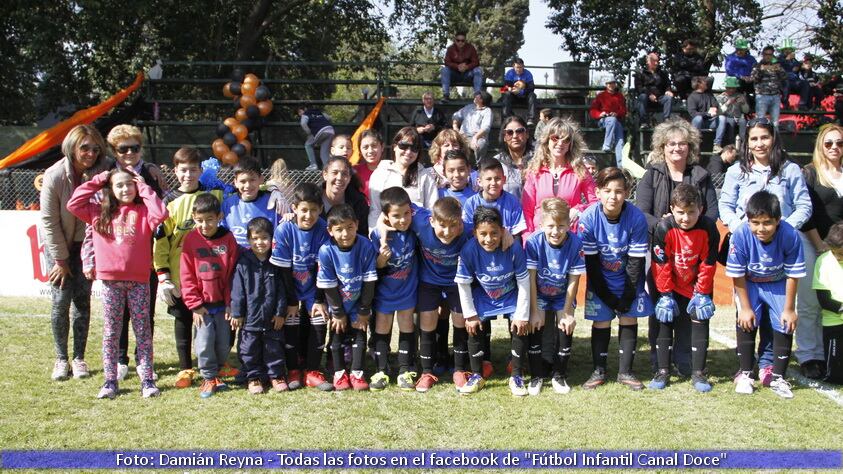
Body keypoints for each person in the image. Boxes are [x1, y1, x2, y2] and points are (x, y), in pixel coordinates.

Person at [719, 118, 812, 387]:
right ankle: (745, 368)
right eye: (754, 139)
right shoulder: (737, 171)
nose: (760, 144)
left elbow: (804, 206)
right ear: (747, 143)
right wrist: (740, 229)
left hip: (780, 248)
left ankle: (769, 363)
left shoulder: (791, 170)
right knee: (748, 310)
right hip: (748, 247)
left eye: (764, 137)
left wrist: (783, 230)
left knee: (777, 311)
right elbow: (725, 205)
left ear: (774, 139)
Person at [66, 168, 168, 398]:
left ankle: (148, 380)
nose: (125, 189)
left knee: (143, 331)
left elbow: (161, 212)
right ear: (110, 190)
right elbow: (74, 203)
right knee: (111, 332)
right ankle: (110, 380)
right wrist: (100, 179)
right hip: (111, 282)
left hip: (139, 281)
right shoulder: (98, 212)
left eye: (128, 184)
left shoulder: (143, 211)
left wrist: (143, 186)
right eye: (119, 185)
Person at [636, 119, 718, 375]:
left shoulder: (701, 175)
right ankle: (658, 360)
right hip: (661, 250)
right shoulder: (652, 174)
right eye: (671, 143)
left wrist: (691, 229)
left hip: (695, 251)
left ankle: (684, 360)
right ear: (662, 146)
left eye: (682, 143)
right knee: (661, 302)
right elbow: (642, 212)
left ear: (690, 146)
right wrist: (666, 226)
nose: (677, 148)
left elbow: (712, 213)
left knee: (687, 306)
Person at [97, 124, 168, 382]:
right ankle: (119, 360)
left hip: (144, 254)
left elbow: (161, 209)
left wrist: (148, 180)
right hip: (115, 256)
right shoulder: (106, 176)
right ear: (114, 151)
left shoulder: (151, 174)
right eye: (122, 148)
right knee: (118, 315)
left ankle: (143, 360)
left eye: (134, 147)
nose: (129, 153)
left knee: (143, 312)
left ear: (141, 149)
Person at [41, 124, 111, 381]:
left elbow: (132, 167)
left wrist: (152, 170)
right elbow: (49, 221)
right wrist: (60, 260)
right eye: (84, 148)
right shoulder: (55, 175)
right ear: (72, 147)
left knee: (83, 302)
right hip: (60, 246)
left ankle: (79, 358)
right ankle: (61, 359)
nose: (90, 153)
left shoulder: (104, 169)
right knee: (60, 302)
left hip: (88, 247)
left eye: (95, 148)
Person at [153, 147, 224, 389]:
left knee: (214, 318)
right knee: (183, 319)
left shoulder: (215, 194)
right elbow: (160, 242)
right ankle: (186, 366)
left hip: (212, 274)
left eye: (193, 170)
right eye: (183, 170)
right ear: (175, 171)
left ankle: (217, 364)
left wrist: (274, 189)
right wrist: (163, 275)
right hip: (181, 276)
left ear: (201, 171)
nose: (188, 175)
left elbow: (247, 189)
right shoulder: (169, 202)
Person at [579, 167, 653, 391]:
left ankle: (626, 371)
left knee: (628, 317)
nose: (613, 196)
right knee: (601, 320)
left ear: (627, 192)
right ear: (598, 192)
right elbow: (591, 265)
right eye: (607, 190)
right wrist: (609, 297)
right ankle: (599, 369)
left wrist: (626, 296)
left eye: (619, 191)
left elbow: (636, 263)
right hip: (601, 279)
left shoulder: (636, 218)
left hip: (629, 279)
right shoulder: (589, 218)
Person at [726, 191, 805, 398]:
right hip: (750, 283)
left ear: (778, 220)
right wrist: (745, 308)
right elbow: (737, 274)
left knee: (785, 322)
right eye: (755, 223)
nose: (761, 229)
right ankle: (745, 373)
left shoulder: (789, 235)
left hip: (777, 282)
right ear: (748, 220)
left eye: (767, 223)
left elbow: (793, 275)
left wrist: (789, 309)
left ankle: (778, 376)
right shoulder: (740, 234)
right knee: (747, 320)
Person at [650, 184, 719, 392]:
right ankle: (662, 370)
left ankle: (698, 373)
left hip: (696, 285)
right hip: (670, 284)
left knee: (700, 318)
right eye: (680, 212)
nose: (686, 218)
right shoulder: (664, 228)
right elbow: (661, 265)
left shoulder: (708, 229)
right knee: (664, 318)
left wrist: (702, 293)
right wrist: (665, 294)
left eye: (691, 212)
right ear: (672, 209)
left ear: (701, 209)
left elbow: (708, 264)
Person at [455, 206, 530, 395]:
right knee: (473, 325)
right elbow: (463, 284)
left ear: (503, 231)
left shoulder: (514, 248)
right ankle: (477, 375)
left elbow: (523, 281)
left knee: (520, 325)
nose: (489, 239)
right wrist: (470, 315)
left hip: (510, 294)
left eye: (494, 233)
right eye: (483, 234)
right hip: (485, 296)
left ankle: (517, 375)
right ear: (475, 233)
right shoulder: (468, 250)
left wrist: (521, 315)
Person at [271, 183, 333, 391]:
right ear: (294, 208)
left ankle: (313, 371)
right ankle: (294, 369)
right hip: (290, 288)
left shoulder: (324, 230)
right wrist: (291, 301)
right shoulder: (284, 230)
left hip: (314, 288)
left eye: (314, 210)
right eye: (304, 209)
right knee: (291, 322)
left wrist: (318, 300)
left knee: (319, 319)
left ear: (321, 210)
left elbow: (323, 269)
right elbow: (284, 270)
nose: (308, 215)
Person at [179, 193, 239, 398]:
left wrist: (231, 303)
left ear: (219, 216)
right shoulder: (191, 239)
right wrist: (194, 304)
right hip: (202, 306)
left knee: (223, 343)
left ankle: (219, 369)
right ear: (194, 218)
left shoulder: (228, 239)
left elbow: (233, 274)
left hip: (223, 305)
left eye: (210, 219)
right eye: (200, 220)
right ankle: (208, 377)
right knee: (204, 343)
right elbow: (186, 275)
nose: (205, 225)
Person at [410, 197, 471, 391]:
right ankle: (427, 372)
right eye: (442, 225)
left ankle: (460, 370)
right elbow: (396, 205)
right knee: (428, 319)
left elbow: (491, 226)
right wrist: (382, 224)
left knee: (461, 319)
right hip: (429, 282)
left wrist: (505, 233)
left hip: (456, 283)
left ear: (461, 222)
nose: (447, 231)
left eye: (454, 225)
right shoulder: (420, 220)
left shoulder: (469, 230)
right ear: (432, 221)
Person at [525, 198, 584, 395]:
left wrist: (567, 311)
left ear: (569, 224)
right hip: (540, 294)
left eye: (561, 226)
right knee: (536, 323)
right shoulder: (534, 242)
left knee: (565, 325)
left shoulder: (575, 243)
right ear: (542, 225)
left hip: (561, 296)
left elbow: (573, 280)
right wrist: (534, 312)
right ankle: (536, 376)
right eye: (550, 226)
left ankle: (559, 375)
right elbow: (531, 279)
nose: (555, 231)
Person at [316, 203, 378, 391]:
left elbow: (369, 281)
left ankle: (357, 373)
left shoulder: (365, 246)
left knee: (360, 336)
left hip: (359, 302)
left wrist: (364, 309)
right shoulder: (326, 251)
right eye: (339, 229)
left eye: (349, 227)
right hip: (339, 305)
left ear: (357, 225)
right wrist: (338, 313)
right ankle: (339, 374)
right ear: (330, 230)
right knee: (336, 338)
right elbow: (329, 286)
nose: (345, 234)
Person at [798, 124, 843, 378]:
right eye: (829, 143)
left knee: (836, 303)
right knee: (809, 303)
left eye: (839, 143)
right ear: (820, 146)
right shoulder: (810, 174)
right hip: (813, 243)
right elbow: (807, 214)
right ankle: (809, 355)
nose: (834, 147)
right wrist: (820, 246)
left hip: (840, 252)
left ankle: (832, 353)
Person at [369, 187, 419, 390]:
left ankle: (405, 369)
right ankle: (381, 369)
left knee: (407, 324)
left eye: (406, 214)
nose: (403, 220)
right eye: (396, 216)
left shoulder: (414, 230)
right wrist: (381, 261)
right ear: (386, 216)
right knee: (382, 327)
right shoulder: (377, 236)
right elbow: (372, 267)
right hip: (384, 292)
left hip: (407, 289)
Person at [231, 217, 288, 395]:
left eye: (264, 238)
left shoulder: (276, 262)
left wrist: (280, 313)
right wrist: (237, 313)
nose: (260, 242)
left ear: (271, 239)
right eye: (255, 238)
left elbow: (281, 290)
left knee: (274, 348)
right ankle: (253, 377)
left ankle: (276, 375)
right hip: (250, 318)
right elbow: (237, 290)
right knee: (249, 349)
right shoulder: (243, 262)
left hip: (272, 318)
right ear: (248, 240)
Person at [522, 117, 598, 242]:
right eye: (555, 137)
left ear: (571, 144)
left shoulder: (580, 170)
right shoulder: (534, 171)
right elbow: (527, 211)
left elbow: (595, 202)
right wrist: (527, 239)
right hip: (540, 237)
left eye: (566, 139)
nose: (560, 143)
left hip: (571, 237)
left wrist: (579, 210)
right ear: (547, 140)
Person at [367, 127, 437, 230]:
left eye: (414, 148)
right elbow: (375, 210)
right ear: (395, 146)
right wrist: (375, 235)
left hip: (418, 236)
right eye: (403, 146)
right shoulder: (379, 174)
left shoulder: (426, 176)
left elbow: (432, 209)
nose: (408, 152)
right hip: (388, 236)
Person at [221, 157, 278, 249]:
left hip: (264, 258)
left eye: (252, 180)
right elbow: (221, 232)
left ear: (261, 179)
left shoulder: (272, 202)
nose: (247, 185)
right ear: (235, 182)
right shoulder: (228, 204)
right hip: (237, 258)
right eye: (242, 181)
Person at [462, 158, 527, 237]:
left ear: (504, 179)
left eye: (497, 179)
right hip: (478, 246)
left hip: (506, 245)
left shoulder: (512, 201)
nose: (493, 183)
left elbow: (517, 234)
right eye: (488, 179)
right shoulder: (471, 203)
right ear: (479, 182)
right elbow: (468, 233)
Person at [812, 222, 843, 383]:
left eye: (841, 254)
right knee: (836, 377)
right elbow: (824, 299)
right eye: (834, 253)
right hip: (834, 323)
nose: (838, 257)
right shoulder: (823, 262)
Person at [322, 156, 370, 236]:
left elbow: (363, 233)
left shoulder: (358, 202)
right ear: (325, 175)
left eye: (344, 174)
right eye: (335, 173)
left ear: (349, 178)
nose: (339, 178)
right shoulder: (312, 198)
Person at [492, 115, 534, 199]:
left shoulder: (539, 160)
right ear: (504, 137)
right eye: (509, 132)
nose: (515, 136)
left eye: (519, 131)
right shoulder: (496, 163)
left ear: (527, 134)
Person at [589, 77, 627, 167]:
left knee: (620, 140)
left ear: (615, 84)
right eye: (609, 83)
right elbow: (592, 111)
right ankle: (607, 145)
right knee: (611, 120)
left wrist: (616, 114)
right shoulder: (600, 96)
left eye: (613, 83)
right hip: (603, 120)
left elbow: (624, 110)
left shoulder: (620, 96)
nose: (611, 85)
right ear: (606, 85)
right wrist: (600, 114)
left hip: (616, 120)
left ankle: (621, 166)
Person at [687, 76, 727, 153]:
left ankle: (717, 145)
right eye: (703, 81)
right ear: (699, 84)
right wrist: (707, 114)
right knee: (698, 118)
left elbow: (714, 104)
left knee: (722, 118)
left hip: (710, 121)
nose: (706, 83)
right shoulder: (692, 97)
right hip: (697, 123)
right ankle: (695, 145)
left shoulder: (709, 94)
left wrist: (714, 108)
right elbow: (693, 113)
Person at [440, 31, 483, 101]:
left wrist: (467, 67)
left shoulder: (471, 48)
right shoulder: (450, 49)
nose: (460, 42)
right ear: (455, 40)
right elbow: (447, 62)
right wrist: (457, 66)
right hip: (454, 74)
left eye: (462, 41)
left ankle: (477, 95)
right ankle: (445, 95)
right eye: (458, 40)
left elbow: (476, 62)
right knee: (444, 70)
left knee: (478, 70)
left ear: (465, 41)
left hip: (467, 74)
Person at [452, 91, 493, 161]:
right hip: (462, 136)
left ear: (482, 100)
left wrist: (475, 138)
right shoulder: (468, 107)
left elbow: (486, 127)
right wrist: (455, 127)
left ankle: (478, 165)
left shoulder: (487, 111)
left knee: (480, 145)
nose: (475, 96)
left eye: (478, 96)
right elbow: (456, 115)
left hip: (478, 136)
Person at [751, 46, 787, 126]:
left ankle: (774, 138)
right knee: (760, 121)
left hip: (775, 96)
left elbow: (784, 77)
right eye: (766, 54)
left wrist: (779, 70)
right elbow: (754, 79)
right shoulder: (757, 65)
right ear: (763, 55)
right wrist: (761, 71)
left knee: (775, 123)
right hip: (762, 96)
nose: (768, 56)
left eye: (770, 54)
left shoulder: (777, 65)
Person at [635, 51, 674, 125]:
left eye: (657, 61)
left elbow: (667, 84)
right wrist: (649, 94)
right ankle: (643, 122)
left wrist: (668, 90)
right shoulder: (640, 73)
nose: (656, 63)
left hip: (660, 98)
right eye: (654, 61)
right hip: (646, 99)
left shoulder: (662, 73)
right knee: (642, 96)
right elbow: (639, 88)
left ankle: (666, 120)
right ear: (648, 62)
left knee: (668, 98)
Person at [298, 105, 335, 170]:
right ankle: (329, 169)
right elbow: (329, 118)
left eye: (299, 112)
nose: (300, 114)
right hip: (330, 130)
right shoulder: (319, 112)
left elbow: (303, 123)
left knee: (308, 145)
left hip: (320, 131)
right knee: (324, 153)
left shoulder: (305, 114)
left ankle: (313, 165)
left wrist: (309, 132)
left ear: (304, 109)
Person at [502, 58, 537, 125]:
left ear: (523, 66)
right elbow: (505, 87)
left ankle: (531, 119)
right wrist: (511, 89)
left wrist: (522, 91)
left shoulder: (528, 73)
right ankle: (506, 118)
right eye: (517, 67)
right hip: (513, 97)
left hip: (524, 97)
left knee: (532, 95)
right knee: (506, 94)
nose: (519, 69)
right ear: (513, 66)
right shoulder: (510, 73)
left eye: (521, 67)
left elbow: (531, 88)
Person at [716, 76, 750, 147]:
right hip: (727, 118)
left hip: (739, 117)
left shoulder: (740, 96)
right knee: (730, 122)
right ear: (726, 87)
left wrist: (743, 103)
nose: (731, 90)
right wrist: (727, 103)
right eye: (729, 88)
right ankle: (731, 144)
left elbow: (746, 111)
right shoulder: (720, 97)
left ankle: (744, 143)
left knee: (743, 121)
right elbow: (719, 112)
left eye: (733, 88)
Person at [777, 39, 810, 110]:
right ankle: (785, 103)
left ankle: (802, 104)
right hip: (783, 81)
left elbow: (799, 66)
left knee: (805, 83)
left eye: (790, 49)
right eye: (787, 49)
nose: (789, 51)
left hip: (795, 81)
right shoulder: (778, 59)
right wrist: (788, 59)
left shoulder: (794, 60)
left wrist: (803, 67)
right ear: (783, 50)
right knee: (786, 83)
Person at [352, 129, 384, 201]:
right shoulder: (354, 171)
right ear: (360, 150)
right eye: (365, 147)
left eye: (374, 146)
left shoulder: (390, 170)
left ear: (382, 147)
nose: (370, 151)